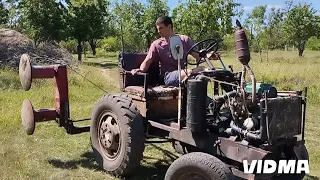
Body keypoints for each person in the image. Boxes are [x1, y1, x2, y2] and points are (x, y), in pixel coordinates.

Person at [130, 16, 207, 87]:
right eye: (157, 29)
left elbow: (198, 56)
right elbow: (148, 60)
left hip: (184, 71)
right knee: (188, 73)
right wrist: (141, 70)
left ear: (169, 26)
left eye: (161, 28)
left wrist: (210, 55)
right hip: (168, 76)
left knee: (203, 69)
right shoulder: (157, 44)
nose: (158, 31)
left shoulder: (184, 40)